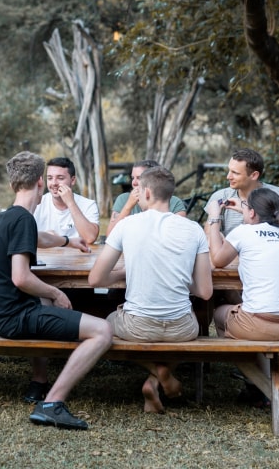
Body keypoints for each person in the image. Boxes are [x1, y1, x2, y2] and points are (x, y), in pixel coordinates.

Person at [0, 151, 113, 431]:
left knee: (59, 311)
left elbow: (40, 237)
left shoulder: (10, 216)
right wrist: (55, 292)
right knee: (102, 330)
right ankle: (52, 403)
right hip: (12, 317)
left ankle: (44, 381)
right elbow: (21, 277)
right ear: (40, 181)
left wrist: (68, 240)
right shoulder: (22, 219)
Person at [88, 167, 213, 414]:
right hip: (182, 328)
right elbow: (205, 292)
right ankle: (157, 379)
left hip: (138, 326)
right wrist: (174, 279)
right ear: (170, 194)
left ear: (145, 192)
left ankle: (157, 373)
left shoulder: (128, 225)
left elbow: (96, 279)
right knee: (188, 331)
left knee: (106, 324)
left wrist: (124, 274)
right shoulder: (194, 229)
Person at [205, 188, 279, 341]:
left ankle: (248, 359)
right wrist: (246, 210)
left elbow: (217, 260)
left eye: (245, 206)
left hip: (260, 325)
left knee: (219, 313)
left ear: (252, 213)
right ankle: (260, 359)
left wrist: (214, 217)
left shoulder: (243, 231)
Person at [203, 148, 279, 237]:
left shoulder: (278, 194)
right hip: (230, 252)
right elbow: (209, 237)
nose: (228, 176)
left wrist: (245, 210)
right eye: (229, 171)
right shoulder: (220, 196)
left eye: (235, 173)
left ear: (254, 175)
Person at [105, 159, 188, 236]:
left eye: (139, 178)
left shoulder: (175, 203)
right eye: (132, 178)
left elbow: (179, 236)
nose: (133, 183)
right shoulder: (123, 199)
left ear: (154, 179)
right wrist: (128, 206)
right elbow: (110, 235)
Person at [33, 156, 98, 251]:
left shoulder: (88, 204)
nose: (54, 183)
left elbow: (90, 238)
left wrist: (70, 203)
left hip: (79, 262)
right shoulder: (37, 204)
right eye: (50, 178)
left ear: (72, 180)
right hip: (46, 262)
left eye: (60, 178)